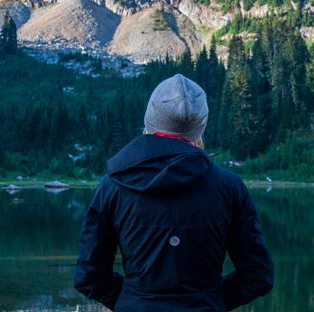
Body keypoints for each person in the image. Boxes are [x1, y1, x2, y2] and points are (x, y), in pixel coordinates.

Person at [74, 73, 274, 311]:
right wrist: (211, 301)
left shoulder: (113, 186)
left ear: (150, 121)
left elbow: (89, 276)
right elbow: (258, 275)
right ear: (199, 129)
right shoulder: (229, 187)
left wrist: (132, 301)